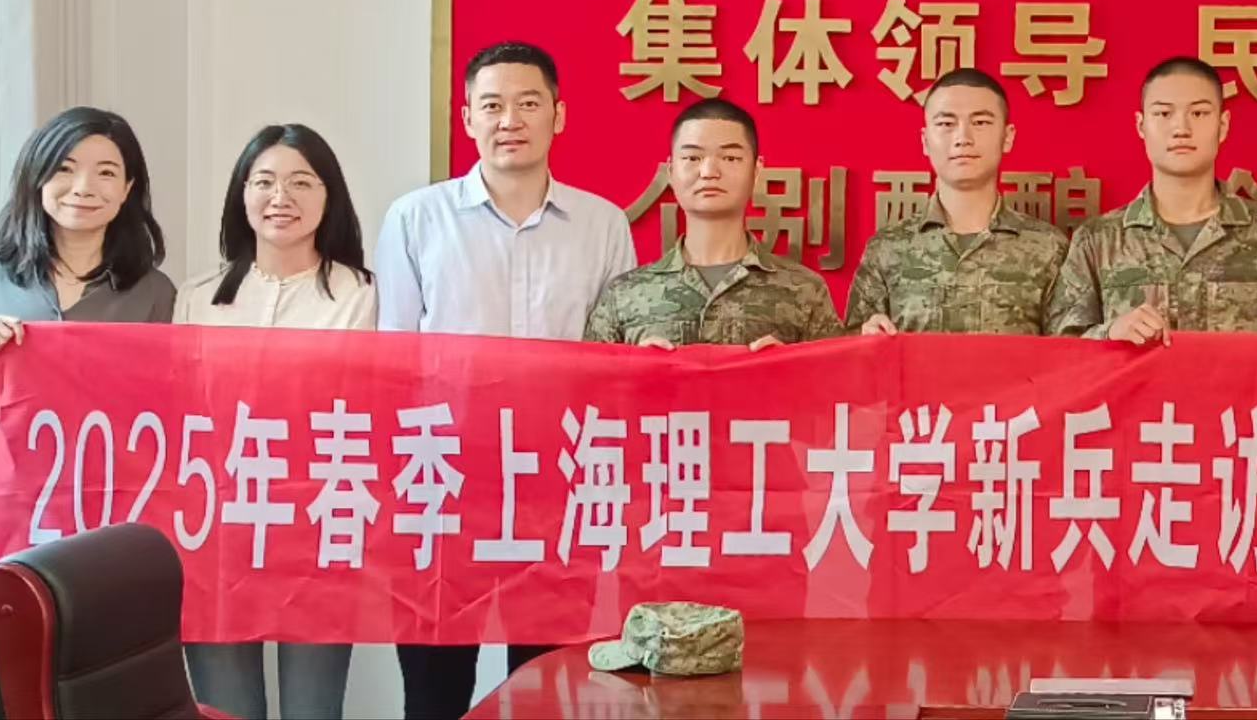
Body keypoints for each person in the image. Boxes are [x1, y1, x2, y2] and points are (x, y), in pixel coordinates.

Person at [373, 42, 635, 719]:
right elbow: (394, 361)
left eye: (527, 103)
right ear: (467, 118)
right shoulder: (415, 218)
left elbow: (615, 365)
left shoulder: (603, 224)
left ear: (558, 115)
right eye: (491, 105)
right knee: (434, 690)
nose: (509, 120)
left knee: (549, 684)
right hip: (444, 482)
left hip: (559, 485)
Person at [0, 107, 176, 717]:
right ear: (36, 177)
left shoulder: (152, 291)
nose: (84, 187)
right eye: (65, 168)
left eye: (106, 172)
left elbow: (162, 407)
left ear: (129, 189)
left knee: (88, 671)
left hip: (98, 504)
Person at [176, 124, 374, 720]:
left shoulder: (365, 296)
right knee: (224, 709)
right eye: (263, 181)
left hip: (320, 520)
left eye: (301, 182)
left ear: (329, 196)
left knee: (315, 709)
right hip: (218, 525)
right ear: (242, 194)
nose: (280, 197)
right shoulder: (196, 297)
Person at [1046, 56, 1257, 343]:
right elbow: (1062, 347)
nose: (1181, 128)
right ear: (1141, 125)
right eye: (1163, 113)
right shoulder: (1099, 241)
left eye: (1199, 113)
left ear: (1223, 125)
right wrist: (1109, 333)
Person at [585, 97, 842, 348]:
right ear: (670, 171)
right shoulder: (624, 295)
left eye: (730, 158)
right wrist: (634, 369)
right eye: (692, 158)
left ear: (756, 171)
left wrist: (788, 368)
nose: (709, 172)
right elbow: (591, 375)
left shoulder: (805, 291)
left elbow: (837, 375)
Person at [845, 68, 1068, 335]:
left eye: (981, 122)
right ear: (925, 140)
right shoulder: (887, 249)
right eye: (946, 124)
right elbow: (850, 347)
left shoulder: (1049, 248)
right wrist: (866, 336)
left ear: (1007, 137)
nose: (963, 138)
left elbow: (1073, 351)